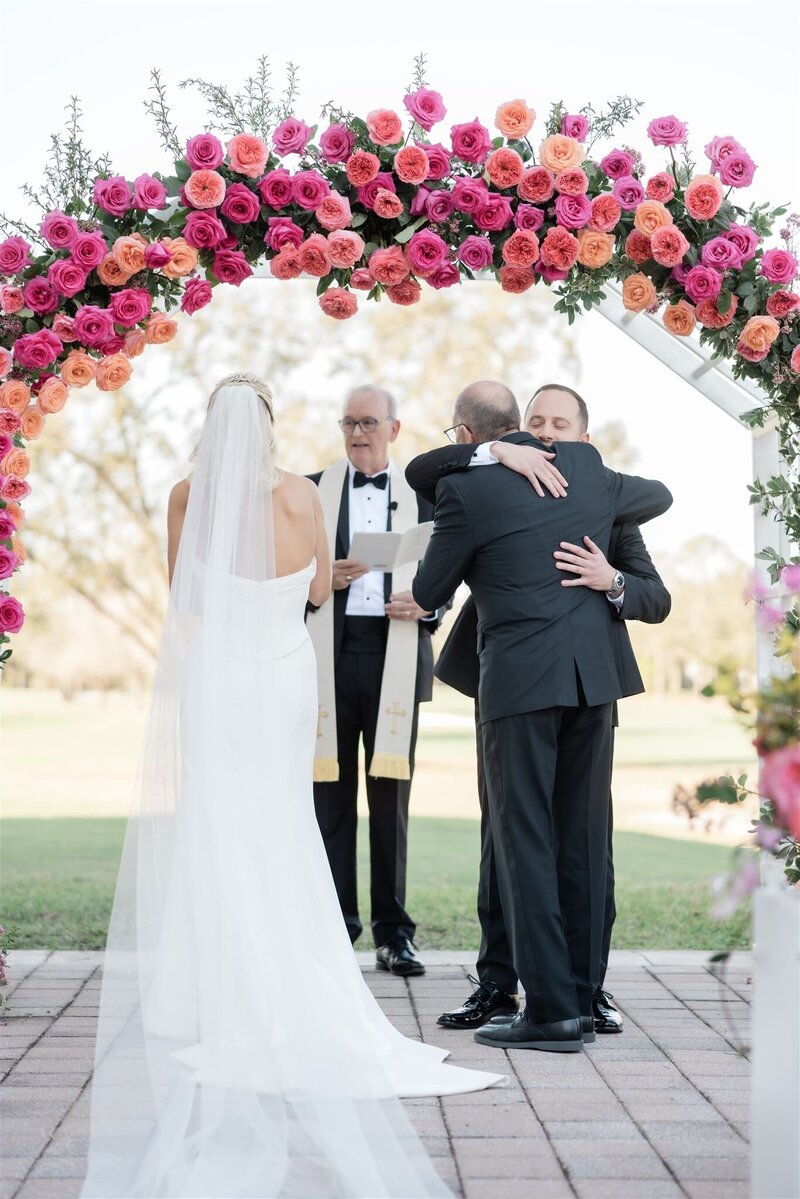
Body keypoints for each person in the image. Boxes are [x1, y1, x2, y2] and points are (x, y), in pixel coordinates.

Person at [81, 374, 504, 1199]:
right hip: (282, 674)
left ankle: (219, 979)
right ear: (269, 427)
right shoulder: (303, 496)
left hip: (219, 675)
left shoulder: (183, 495)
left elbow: (185, 597)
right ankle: (293, 965)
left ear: (212, 425)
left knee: (217, 818)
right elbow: (317, 590)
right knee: (280, 821)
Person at [411, 381, 672, 1053]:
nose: (550, 435)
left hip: (532, 682)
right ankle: (558, 996)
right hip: (577, 683)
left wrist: (609, 576)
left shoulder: (489, 488)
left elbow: (427, 589)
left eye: (562, 424)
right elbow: (660, 492)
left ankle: (559, 1006)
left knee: (535, 842)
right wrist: (500, 450)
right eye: (537, 423)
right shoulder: (586, 478)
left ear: (582, 434)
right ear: (519, 431)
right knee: (560, 841)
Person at [308, 385, 447, 978]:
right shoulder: (312, 492)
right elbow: (284, 571)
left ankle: (394, 934)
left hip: (396, 654)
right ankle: (335, 926)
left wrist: (428, 605)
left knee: (390, 801)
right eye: (348, 422)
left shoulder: (428, 497)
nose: (357, 432)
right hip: (327, 657)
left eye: (368, 422)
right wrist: (321, 580)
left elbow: (452, 572)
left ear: (394, 427)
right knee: (328, 798)